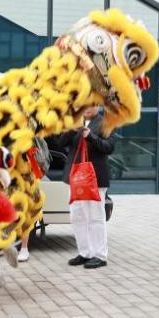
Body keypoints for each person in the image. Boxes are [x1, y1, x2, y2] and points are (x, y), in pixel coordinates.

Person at [57, 106, 114, 269]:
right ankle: (85, 252)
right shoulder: (75, 120)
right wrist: (71, 130)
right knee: (77, 216)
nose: (87, 107)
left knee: (95, 217)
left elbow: (109, 147)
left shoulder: (106, 122)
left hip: (95, 177)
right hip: (75, 177)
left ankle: (100, 255)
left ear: (97, 105)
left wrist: (91, 137)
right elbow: (60, 142)